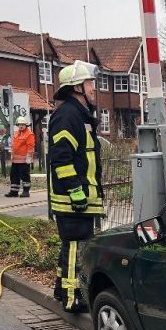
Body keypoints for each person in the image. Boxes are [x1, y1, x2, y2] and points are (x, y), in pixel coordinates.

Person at [48, 61, 104, 312]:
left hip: (80, 196)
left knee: (72, 245)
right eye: (91, 83)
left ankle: (62, 290)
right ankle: (74, 297)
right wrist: (75, 190)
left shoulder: (79, 116)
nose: (94, 88)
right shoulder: (68, 116)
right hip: (72, 198)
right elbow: (61, 157)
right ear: (78, 87)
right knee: (75, 245)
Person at [6, 117, 35, 198]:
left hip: (24, 160)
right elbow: (14, 145)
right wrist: (12, 155)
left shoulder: (29, 134)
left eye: (22, 125)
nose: (21, 126)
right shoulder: (16, 133)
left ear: (26, 125)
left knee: (24, 175)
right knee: (14, 175)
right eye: (19, 125)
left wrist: (29, 158)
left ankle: (26, 191)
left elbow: (30, 146)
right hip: (15, 160)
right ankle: (14, 191)